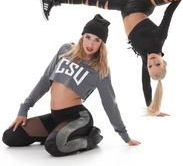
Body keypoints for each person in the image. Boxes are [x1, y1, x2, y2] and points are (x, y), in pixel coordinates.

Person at [40, 0, 183, 116]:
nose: (152, 63)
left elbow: (145, 85)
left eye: (151, 67)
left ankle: (51, 0)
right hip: (140, 2)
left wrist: (152, 108)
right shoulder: (160, 38)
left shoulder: (145, 59)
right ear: (164, 61)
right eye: (157, 64)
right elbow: (169, 13)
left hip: (125, 6)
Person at [2, 14, 140, 157]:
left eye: (96, 40)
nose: (90, 44)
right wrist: (24, 109)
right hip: (56, 117)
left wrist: (124, 135)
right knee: (10, 136)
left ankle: (91, 139)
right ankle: (59, 132)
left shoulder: (100, 69)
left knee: (54, 146)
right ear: (82, 36)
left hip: (78, 118)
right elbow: (45, 80)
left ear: (101, 44)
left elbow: (109, 103)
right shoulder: (65, 50)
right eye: (88, 37)